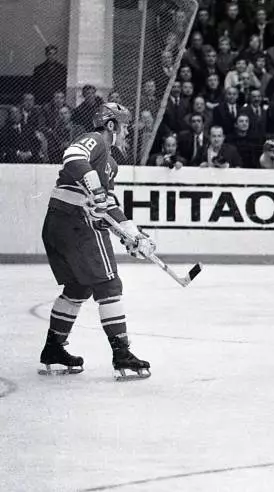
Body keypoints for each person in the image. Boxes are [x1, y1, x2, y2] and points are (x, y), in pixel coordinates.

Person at [40, 103, 153, 381]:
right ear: (112, 125)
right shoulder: (97, 139)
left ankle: (53, 349)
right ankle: (121, 353)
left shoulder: (111, 164)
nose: (128, 132)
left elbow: (107, 206)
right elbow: (73, 155)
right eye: (125, 126)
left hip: (58, 224)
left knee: (78, 287)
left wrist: (132, 234)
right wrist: (96, 189)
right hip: (76, 223)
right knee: (109, 285)